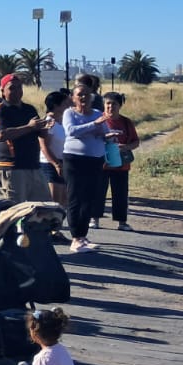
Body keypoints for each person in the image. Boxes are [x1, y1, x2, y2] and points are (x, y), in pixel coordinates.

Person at [61, 83, 114, 252]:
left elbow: (103, 132)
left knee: (89, 198)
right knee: (75, 197)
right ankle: (75, 238)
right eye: (80, 94)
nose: (84, 97)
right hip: (74, 160)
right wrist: (93, 125)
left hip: (95, 160)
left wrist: (108, 136)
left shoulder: (98, 113)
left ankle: (83, 236)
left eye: (87, 94)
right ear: (73, 98)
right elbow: (71, 131)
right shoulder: (69, 113)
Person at [0, 74, 51, 204]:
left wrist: (44, 128)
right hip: (13, 167)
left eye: (19, 87)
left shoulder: (29, 109)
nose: (17, 91)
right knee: (15, 208)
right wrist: (29, 127)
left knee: (43, 206)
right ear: (2, 91)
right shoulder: (1, 110)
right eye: (12, 88)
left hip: (33, 165)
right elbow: (1, 135)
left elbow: (40, 134)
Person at [100, 91, 141, 231]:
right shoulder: (98, 120)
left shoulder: (126, 122)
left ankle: (121, 222)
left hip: (121, 164)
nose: (110, 107)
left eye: (114, 104)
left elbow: (136, 142)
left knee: (121, 194)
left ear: (120, 105)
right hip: (101, 164)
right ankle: (95, 219)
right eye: (107, 104)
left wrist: (126, 147)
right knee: (98, 193)